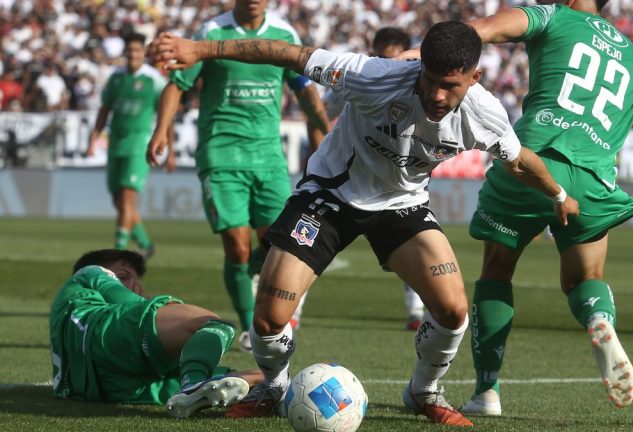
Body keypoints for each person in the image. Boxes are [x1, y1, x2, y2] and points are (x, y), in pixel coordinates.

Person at [149, 20, 579, 426]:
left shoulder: (485, 113)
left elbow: (519, 161)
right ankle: (273, 389)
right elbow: (287, 53)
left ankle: (424, 391)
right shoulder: (374, 76)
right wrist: (200, 49)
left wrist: (559, 195)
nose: (437, 96)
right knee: (268, 317)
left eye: (450, 86)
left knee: (452, 310)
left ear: (475, 77)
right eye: (429, 80)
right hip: (329, 196)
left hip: (401, 206)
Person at [458, 0, 633, 415]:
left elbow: (477, 31)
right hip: (594, 180)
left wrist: (416, 57)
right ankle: (599, 320)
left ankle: (486, 393)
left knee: (497, 270)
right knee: (585, 279)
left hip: (533, 161)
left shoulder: (552, 16)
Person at [146, 0, 330, 350]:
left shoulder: (283, 34)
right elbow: (177, 84)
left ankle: (268, 302)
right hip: (221, 154)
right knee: (237, 246)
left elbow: (305, 89)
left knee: (276, 244)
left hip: (268, 158)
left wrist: (325, 128)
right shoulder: (211, 33)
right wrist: (160, 131)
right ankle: (251, 327)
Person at [49, 249, 265, 419]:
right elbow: (128, 301)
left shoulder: (61, 317)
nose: (136, 286)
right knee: (215, 325)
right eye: (123, 276)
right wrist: (163, 307)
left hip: (99, 389)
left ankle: (273, 389)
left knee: (260, 381)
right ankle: (193, 383)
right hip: (101, 333)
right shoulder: (88, 271)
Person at [308, 26, 425, 331]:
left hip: (396, 184)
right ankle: (293, 314)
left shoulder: (419, 84)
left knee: (410, 254)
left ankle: (416, 312)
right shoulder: (358, 78)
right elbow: (320, 113)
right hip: (346, 182)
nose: (389, 62)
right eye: (383, 55)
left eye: (394, 56)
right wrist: (322, 150)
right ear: (375, 52)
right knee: (309, 248)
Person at [87, 32, 169, 258]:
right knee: (119, 201)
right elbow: (105, 110)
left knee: (127, 197)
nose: (133, 54)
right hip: (116, 144)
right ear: (125, 53)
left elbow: (166, 112)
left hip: (139, 144)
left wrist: (165, 142)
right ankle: (145, 244)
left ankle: (119, 252)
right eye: (129, 50)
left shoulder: (154, 80)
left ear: (144, 53)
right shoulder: (115, 78)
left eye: (137, 50)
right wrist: (95, 136)